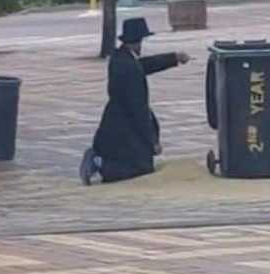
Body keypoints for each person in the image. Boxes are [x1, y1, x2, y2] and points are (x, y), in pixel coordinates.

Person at [80, 18, 191, 185]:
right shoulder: (129, 67)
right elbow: (139, 109)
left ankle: (99, 160)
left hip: (116, 122)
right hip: (124, 126)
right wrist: (152, 141)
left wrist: (173, 58)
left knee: (135, 164)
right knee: (138, 169)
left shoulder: (122, 58)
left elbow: (144, 65)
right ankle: (96, 162)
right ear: (137, 42)